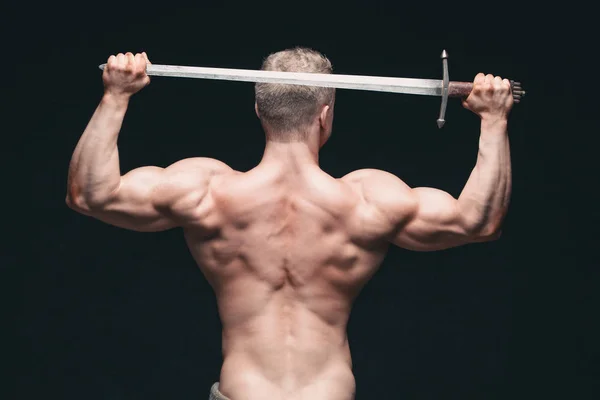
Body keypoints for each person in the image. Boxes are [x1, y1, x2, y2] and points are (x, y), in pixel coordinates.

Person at [66, 47, 513, 400]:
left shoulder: (207, 192)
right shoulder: (367, 200)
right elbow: (479, 221)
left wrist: (115, 97)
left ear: (259, 111)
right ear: (325, 115)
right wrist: (493, 120)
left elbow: (90, 195)